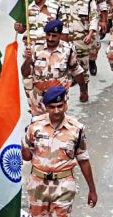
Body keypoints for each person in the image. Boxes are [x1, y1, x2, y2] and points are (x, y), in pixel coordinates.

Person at [22, 86, 98, 216]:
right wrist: (20, 144)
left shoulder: (76, 129)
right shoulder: (35, 126)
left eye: (60, 106)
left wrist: (92, 190)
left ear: (66, 104)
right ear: (45, 107)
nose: (56, 111)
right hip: (38, 184)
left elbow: (83, 159)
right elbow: (27, 157)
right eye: (52, 107)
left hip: (63, 186)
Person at [22, 20, 87, 115]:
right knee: (39, 125)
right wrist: (27, 60)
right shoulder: (34, 48)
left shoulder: (68, 49)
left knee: (57, 125)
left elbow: (76, 70)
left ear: (60, 35)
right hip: (38, 97)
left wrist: (83, 90)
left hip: (58, 97)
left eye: (54, 35)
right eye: (48, 35)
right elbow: (25, 73)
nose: (50, 38)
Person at [57, 0, 98, 98]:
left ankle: (84, 90)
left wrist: (90, 34)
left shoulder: (88, 0)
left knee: (83, 68)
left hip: (82, 40)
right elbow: (57, 19)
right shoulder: (62, 0)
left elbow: (94, 17)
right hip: (65, 41)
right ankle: (62, 96)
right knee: (63, 68)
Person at [76, 0, 108, 76]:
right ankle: (78, 66)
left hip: (93, 17)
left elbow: (101, 1)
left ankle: (92, 60)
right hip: (77, 18)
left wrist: (104, 20)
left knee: (95, 45)